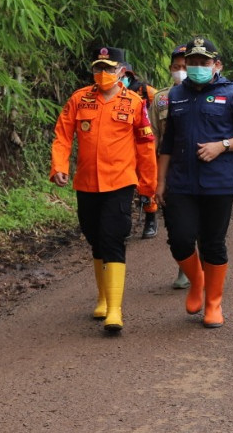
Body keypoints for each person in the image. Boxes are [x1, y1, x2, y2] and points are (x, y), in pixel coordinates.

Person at [50, 46, 157, 332]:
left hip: (120, 182)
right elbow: (62, 135)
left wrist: (148, 185)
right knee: (94, 237)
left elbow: (146, 147)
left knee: (112, 238)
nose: (103, 74)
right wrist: (59, 166)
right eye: (98, 68)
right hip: (86, 182)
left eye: (109, 68)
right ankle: (101, 297)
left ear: (121, 71)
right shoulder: (79, 99)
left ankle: (114, 309)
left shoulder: (134, 102)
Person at [156, 37, 233, 328]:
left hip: (219, 183)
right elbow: (168, 142)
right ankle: (196, 279)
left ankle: (213, 303)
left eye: (204, 62)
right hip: (180, 181)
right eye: (193, 62)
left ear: (216, 65)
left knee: (213, 243)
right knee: (180, 239)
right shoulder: (175, 95)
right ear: (186, 63)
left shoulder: (232, 93)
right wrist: (160, 181)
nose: (198, 67)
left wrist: (222, 145)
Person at [150, 45, 193, 290]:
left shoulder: (210, 94)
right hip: (169, 166)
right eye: (177, 67)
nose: (182, 72)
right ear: (170, 70)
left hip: (198, 165)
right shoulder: (161, 98)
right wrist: (154, 175)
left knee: (197, 222)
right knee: (175, 225)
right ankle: (185, 264)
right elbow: (153, 136)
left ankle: (189, 270)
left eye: (186, 67)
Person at [122, 63, 161, 239]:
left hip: (144, 142)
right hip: (121, 147)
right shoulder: (108, 94)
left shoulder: (145, 91)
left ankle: (151, 216)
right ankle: (123, 222)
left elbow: (161, 106)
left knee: (146, 180)